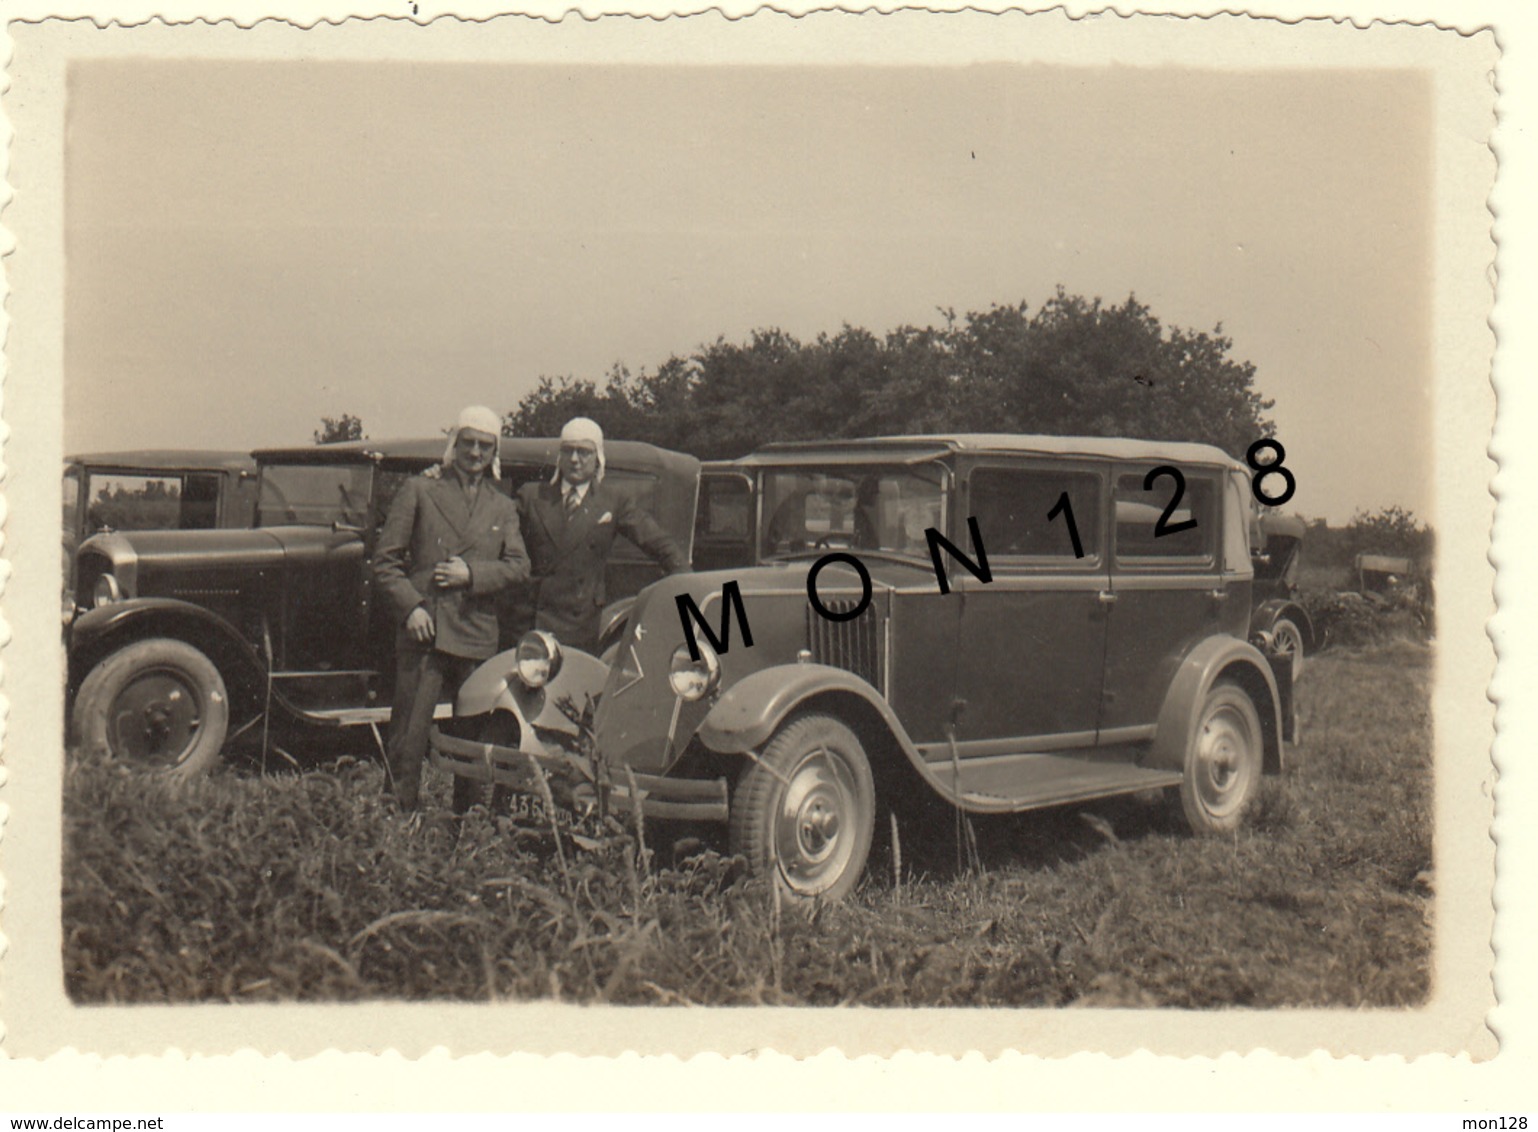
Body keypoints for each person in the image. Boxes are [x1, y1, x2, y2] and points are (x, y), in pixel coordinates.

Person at [374, 406, 529, 812]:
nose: (475, 452)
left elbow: (519, 566)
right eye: (468, 443)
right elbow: (385, 562)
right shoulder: (420, 489)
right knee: (408, 735)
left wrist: (471, 575)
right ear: (453, 445)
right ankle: (397, 816)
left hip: (476, 634)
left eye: (484, 445)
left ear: (495, 451)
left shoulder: (503, 506)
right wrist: (411, 609)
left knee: (471, 741)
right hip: (425, 632)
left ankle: (464, 823)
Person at [515, 417, 687, 652]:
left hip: (580, 621)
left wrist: (684, 579)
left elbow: (656, 541)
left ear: (598, 457)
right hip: (532, 618)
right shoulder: (532, 496)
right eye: (568, 451)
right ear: (560, 456)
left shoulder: (613, 501)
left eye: (583, 452)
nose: (575, 459)